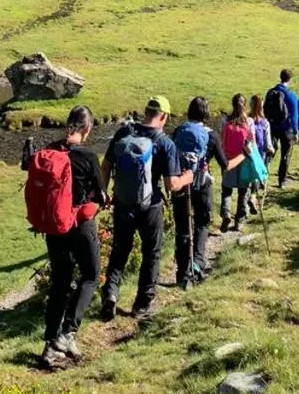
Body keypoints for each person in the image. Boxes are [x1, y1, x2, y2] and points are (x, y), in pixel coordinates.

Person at [100, 96, 192, 322]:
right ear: (164, 116)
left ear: (146, 111)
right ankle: (141, 304)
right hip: (150, 206)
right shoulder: (165, 143)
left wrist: (104, 192)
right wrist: (187, 178)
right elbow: (171, 185)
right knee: (151, 253)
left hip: (123, 202)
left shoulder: (124, 133)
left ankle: (110, 292)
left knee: (120, 250)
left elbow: (106, 166)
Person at [31, 106, 106, 370]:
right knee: (91, 275)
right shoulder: (88, 156)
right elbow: (100, 192)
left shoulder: (50, 150)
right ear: (87, 129)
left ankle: (50, 343)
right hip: (80, 223)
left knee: (60, 281)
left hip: (53, 226)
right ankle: (67, 333)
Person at [171, 97, 238, 289]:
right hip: (202, 185)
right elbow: (225, 165)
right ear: (206, 114)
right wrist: (243, 155)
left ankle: (182, 272)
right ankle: (197, 265)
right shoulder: (211, 135)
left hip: (180, 184)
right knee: (201, 223)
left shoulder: (178, 131)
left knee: (182, 227)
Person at [220, 94, 253, 231]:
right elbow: (252, 142)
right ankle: (239, 220)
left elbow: (221, 140)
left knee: (226, 189)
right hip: (243, 158)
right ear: (244, 104)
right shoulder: (248, 121)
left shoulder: (225, 120)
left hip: (228, 159)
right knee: (243, 191)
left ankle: (226, 213)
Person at [264, 68, 299, 188]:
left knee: (270, 151)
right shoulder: (290, 95)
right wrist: (295, 130)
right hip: (286, 128)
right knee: (285, 155)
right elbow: (294, 114)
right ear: (289, 79)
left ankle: (263, 176)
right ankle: (282, 180)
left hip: (272, 126)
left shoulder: (270, 92)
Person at [248, 93, 274, 213]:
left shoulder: (246, 120)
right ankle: (253, 196)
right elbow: (267, 141)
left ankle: (245, 202)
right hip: (259, 153)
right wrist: (271, 149)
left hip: (247, 152)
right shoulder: (264, 122)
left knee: (248, 176)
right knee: (257, 176)